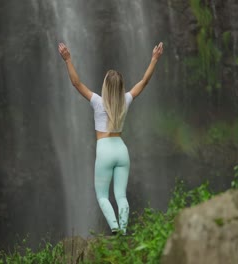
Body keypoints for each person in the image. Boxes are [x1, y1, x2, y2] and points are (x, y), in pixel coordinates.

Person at [58, 42, 164, 235]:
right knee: (121, 195)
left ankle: (115, 228)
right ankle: (123, 232)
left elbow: (76, 83)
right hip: (121, 150)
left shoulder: (98, 102)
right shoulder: (126, 100)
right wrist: (154, 59)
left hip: (105, 150)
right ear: (121, 87)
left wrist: (68, 59)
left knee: (102, 196)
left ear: (105, 86)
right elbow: (144, 81)